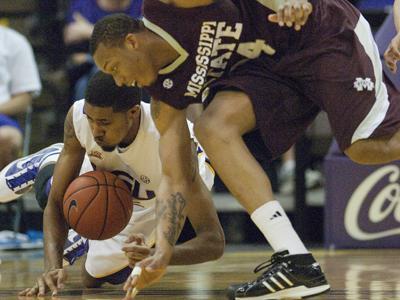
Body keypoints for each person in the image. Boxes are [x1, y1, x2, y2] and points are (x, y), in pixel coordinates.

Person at [90, 0, 400, 299]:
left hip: (317, 29)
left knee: (365, 148)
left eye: (113, 67)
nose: (119, 81)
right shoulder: (165, 98)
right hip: (271, 66)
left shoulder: (169, 9)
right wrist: (163, 252)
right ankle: (295, 260)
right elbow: (175, 178)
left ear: (131, 42)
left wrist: (285, 2)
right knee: (212, 128)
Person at [15, 71, 223, 297]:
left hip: (155, 196)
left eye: (104, 122)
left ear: (133, 113)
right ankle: (51, 161)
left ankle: (86, 235)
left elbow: (213, 242)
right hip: (107, 172)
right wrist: (52, 268)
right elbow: (55, 203)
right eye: (90, 119)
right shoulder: (79, 118)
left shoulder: (176, 150)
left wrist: (160, 255)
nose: (95, 131)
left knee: (93, 277)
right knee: (53, 189)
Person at [64, 0, 143, 101]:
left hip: (135, 65)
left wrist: (90, 30)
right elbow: (71, 35)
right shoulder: (83, 4)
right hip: (91, 67)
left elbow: (141, 41)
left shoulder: (143, 4)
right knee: (89, 81)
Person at [0, 26, 41, 170]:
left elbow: (24, 100)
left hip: (2, 115)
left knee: (7, 137)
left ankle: (4, 191)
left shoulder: (14, 42)